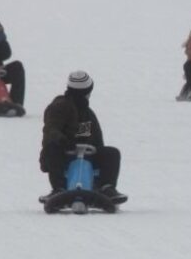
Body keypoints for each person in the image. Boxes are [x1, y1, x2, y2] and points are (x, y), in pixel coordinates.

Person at [38, 71, 127, 204]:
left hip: (84, 154)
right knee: (53, 148)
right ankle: (59, 188)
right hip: (62, 155)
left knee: (112, 153)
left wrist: (93, 148)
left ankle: (106, 187)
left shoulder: (86, 113)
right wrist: (64, 141)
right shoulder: (60, 106)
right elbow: (51, 130)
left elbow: (92, 138)